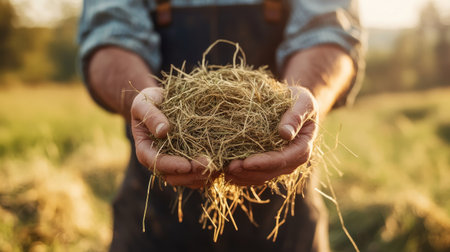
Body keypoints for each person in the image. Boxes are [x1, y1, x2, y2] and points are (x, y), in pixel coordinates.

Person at [78, 0, 365, 251]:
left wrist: (300, 100)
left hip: (282, 206)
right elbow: (109, 36)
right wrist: (147, 106)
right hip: (155, 208)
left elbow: (328, 31)